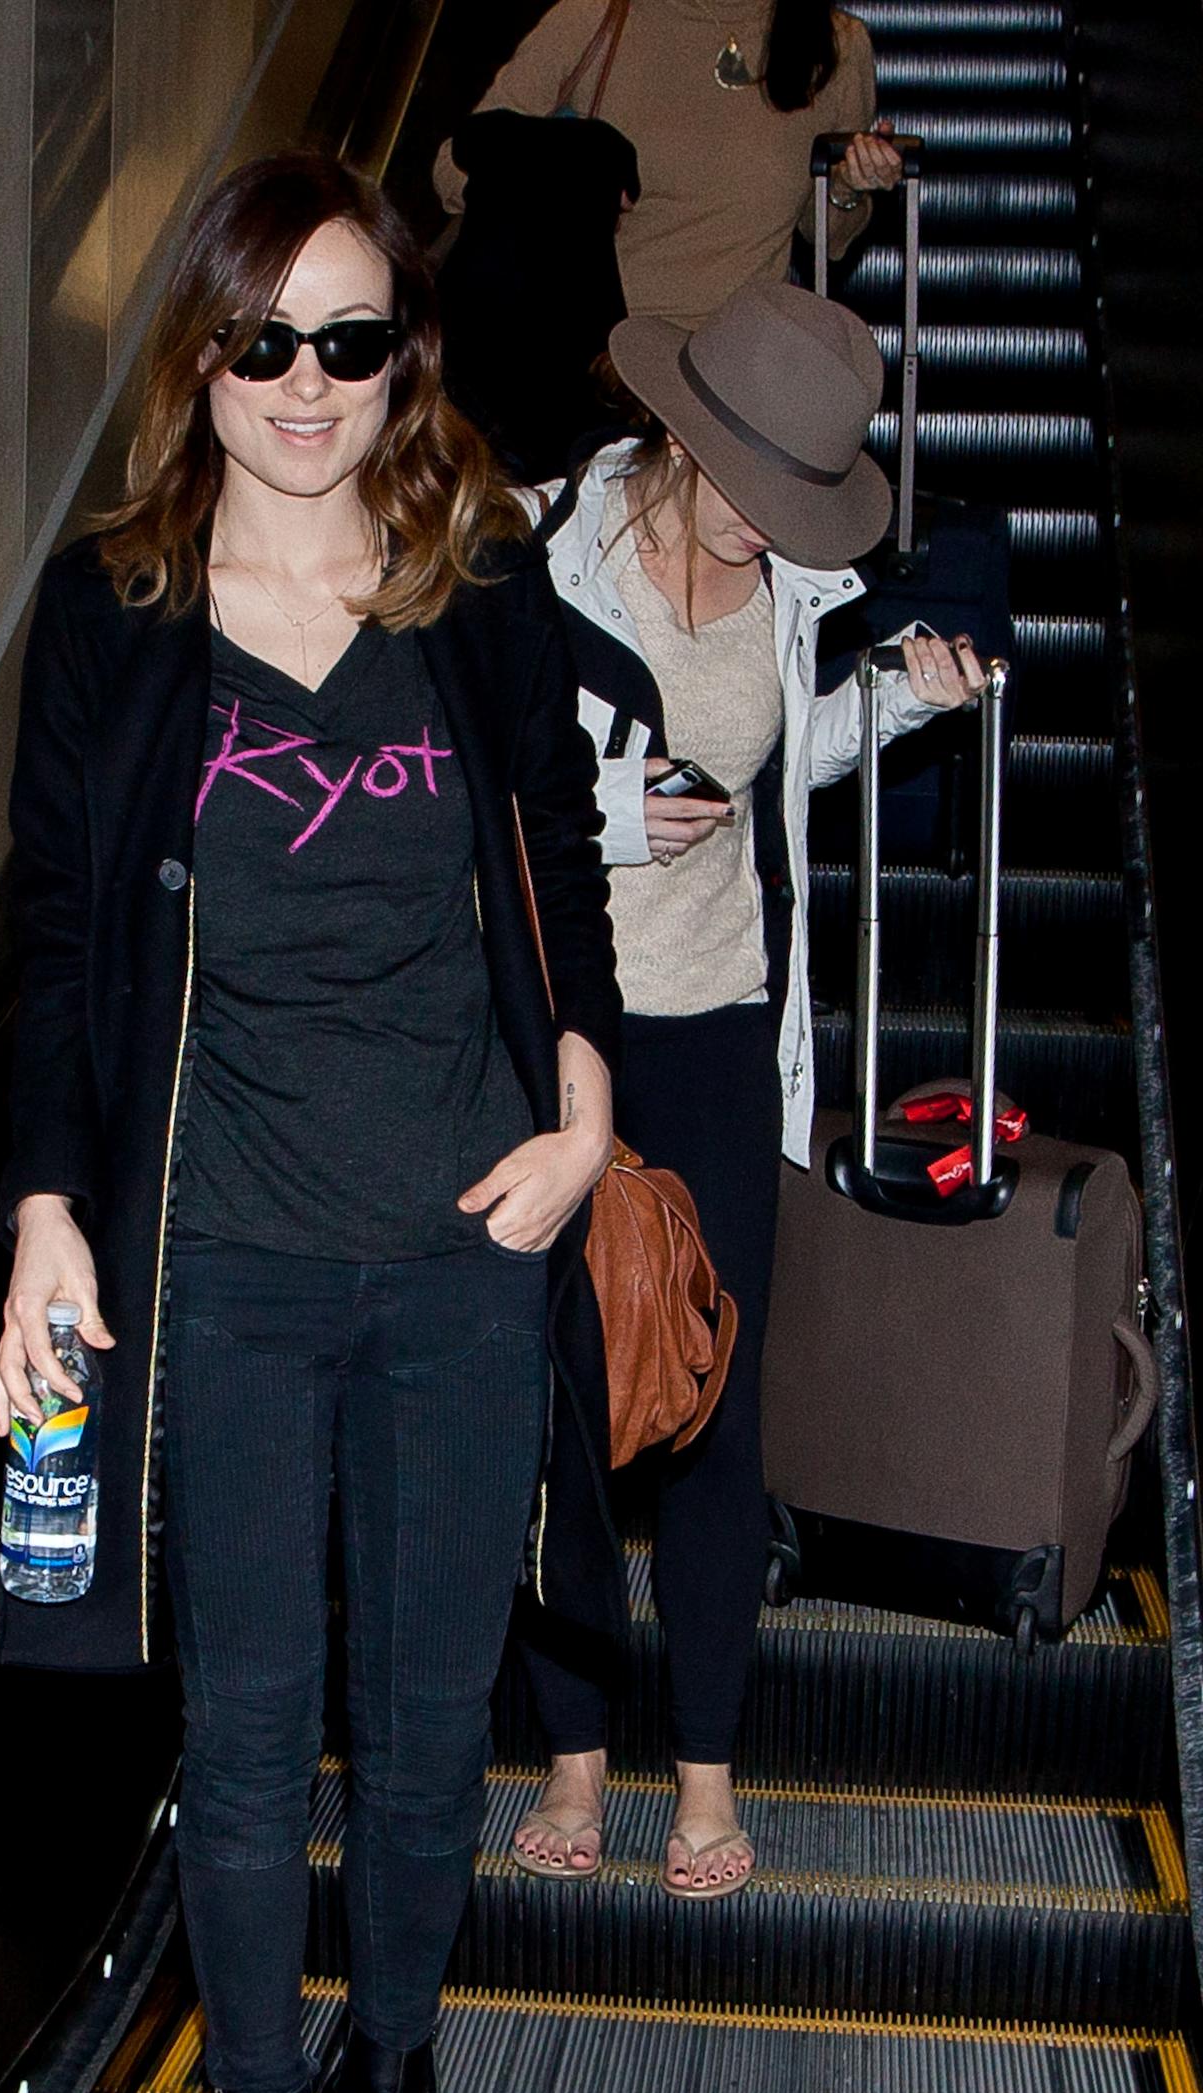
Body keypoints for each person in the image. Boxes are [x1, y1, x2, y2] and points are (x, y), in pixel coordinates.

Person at [0, 153, 624, 2093]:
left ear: (403, 356)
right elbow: (60, 936)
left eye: (353, 340)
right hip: (232, 1268)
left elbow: (558, 848)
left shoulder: (478, 577)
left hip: (463, 1253)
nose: (307, 384)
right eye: (265, 339)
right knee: (251, 1740)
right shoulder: (118, 613)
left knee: (432, 1738)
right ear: (202, 349)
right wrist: (45, 1211)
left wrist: (587, 1107)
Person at [510, 277, 986, 1892]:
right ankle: (576, 1754)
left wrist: (899, 703)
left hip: (720, 1026)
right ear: (681, 432)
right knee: (567, 1393)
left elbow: (783, 767)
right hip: (563, 1031)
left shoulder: (786, 580)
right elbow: (474, 765)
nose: (762, 526)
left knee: (719, 1400)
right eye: (746, 485)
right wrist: (610, 820)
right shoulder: (544, 545)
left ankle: (706, 1773)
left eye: (795, 500)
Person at [434, 0, 904, 331]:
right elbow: (452, 170)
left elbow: (829, 241)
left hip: (724, 376)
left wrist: (846, 188)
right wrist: (568, 180)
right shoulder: (597, 16)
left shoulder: (836, 46)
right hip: (585, 357)